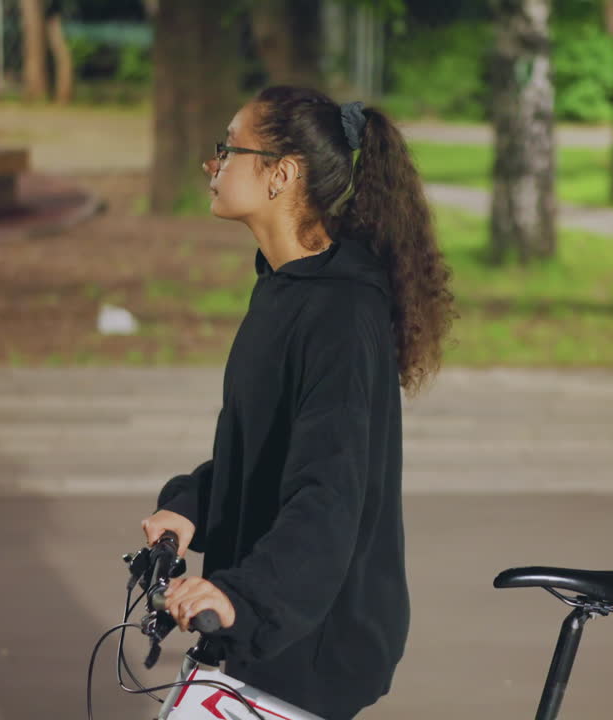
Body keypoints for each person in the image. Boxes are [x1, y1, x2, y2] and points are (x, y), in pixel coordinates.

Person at [139, 85, 455, 720]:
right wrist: (188, 509)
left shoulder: (339, 314)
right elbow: (266, 450)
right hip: (274, 620)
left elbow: (328, 494)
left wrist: (242, 598)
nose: (213, 163)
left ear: (280, 173)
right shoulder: (284, 287)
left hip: (316, 634)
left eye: (228, 148)